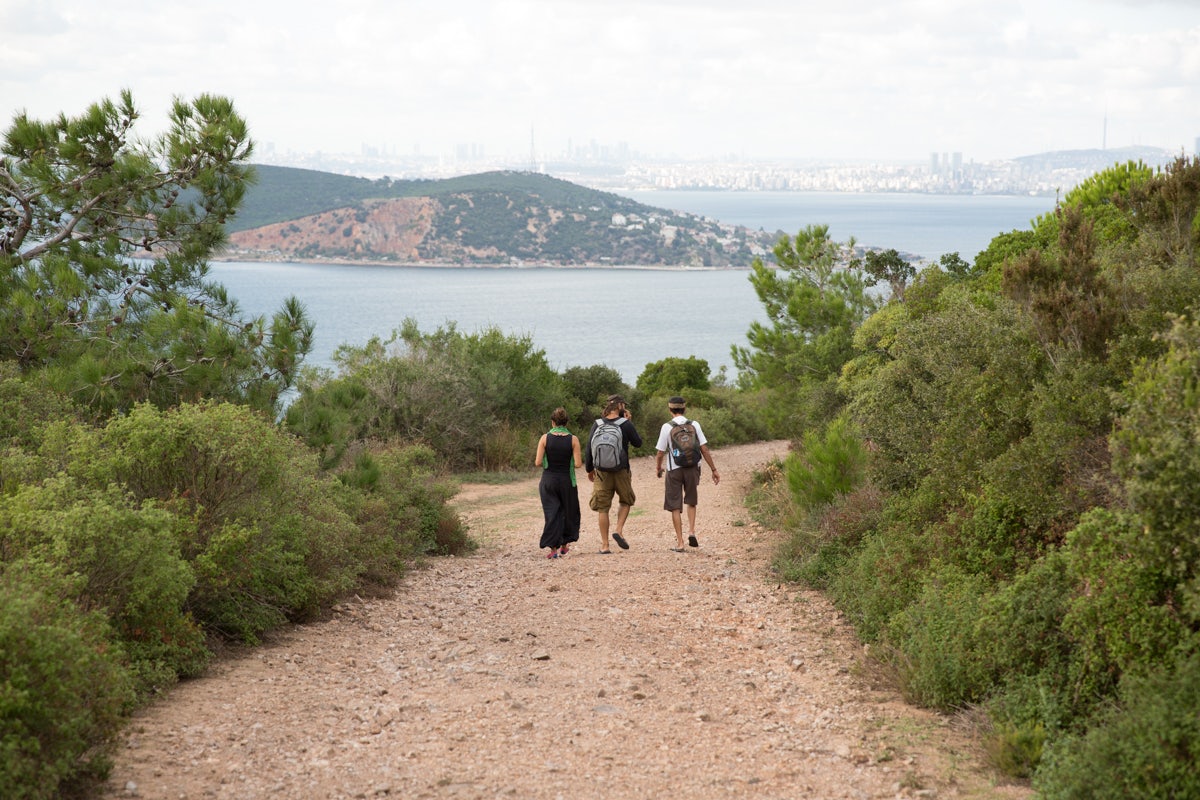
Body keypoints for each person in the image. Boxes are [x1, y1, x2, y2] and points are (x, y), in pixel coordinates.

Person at [654, 395, 720, 552]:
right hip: (693, 468)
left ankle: (681, 542)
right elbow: (704, 449)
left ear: (670, 410)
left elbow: (660, 452)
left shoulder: (667, 427)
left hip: (674, 469)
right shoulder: (694, 424)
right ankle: (691, 531)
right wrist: (713, 469)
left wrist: (658, 468)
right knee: (691, 500)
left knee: (675, 505)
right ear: (685, 408)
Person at [584, 394, 643, 553]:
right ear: (619, 406)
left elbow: (589, 448)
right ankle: (618, 530)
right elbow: (638, 443)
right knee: (626, 500)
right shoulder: (625, 425)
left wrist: (590, 469)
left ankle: (605, 546)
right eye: (623, 405)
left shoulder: (597, 424)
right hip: (621, 470)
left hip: (601, 472)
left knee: (603, 508)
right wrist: (629, 422)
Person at [534, 407, 583, 559]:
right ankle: (564, 546)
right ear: (566, 422)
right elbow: (578, 464)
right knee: (568, 511)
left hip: (548, 480)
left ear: (552, 422)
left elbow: (537, 462)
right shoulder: (573, 439)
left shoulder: (545, 438)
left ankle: (553, 549)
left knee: (552, 513)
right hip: (566, 480)